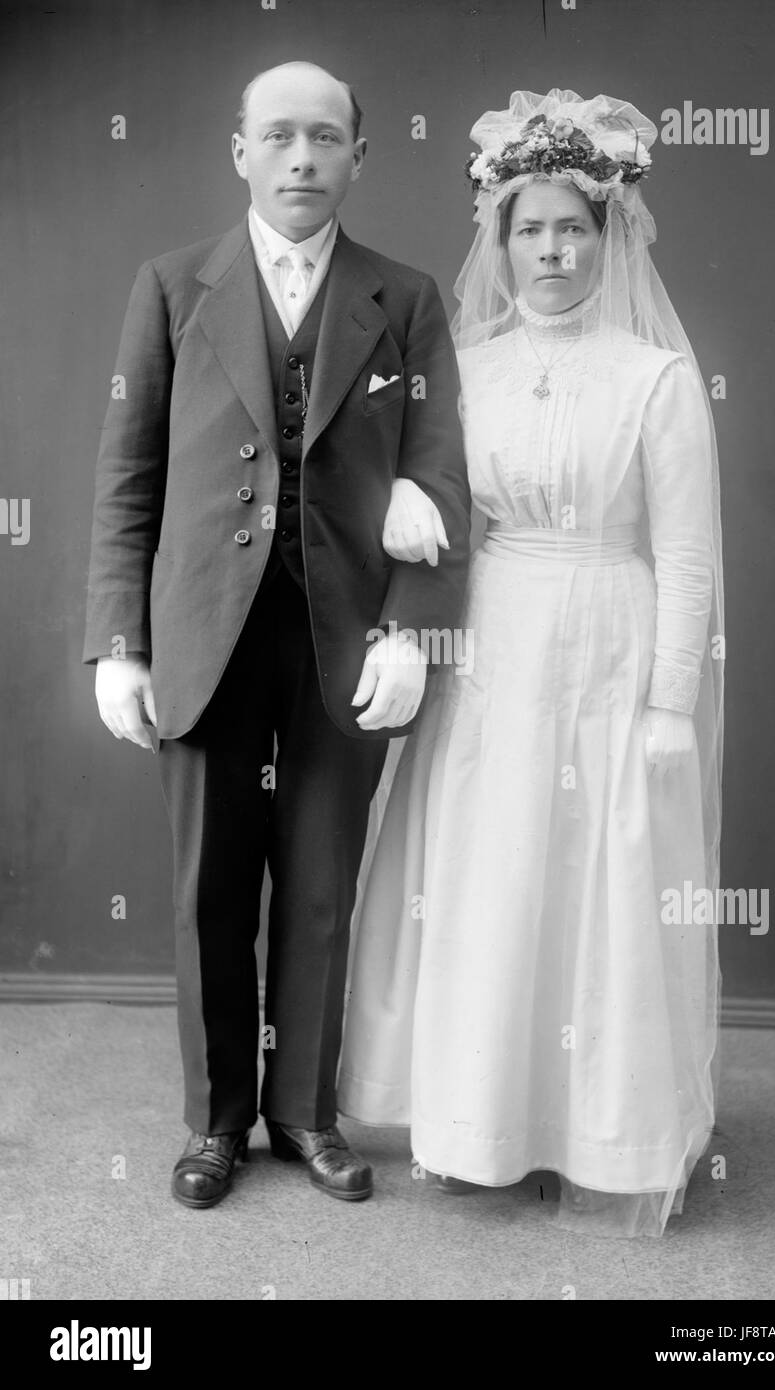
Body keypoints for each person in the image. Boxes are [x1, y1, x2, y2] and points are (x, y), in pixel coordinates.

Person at [83, 61, 471, 1209]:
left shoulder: (406, 297)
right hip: (203, 633)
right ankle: (215, 1122)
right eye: (279, 136)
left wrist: (410, 633)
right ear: (239, 150)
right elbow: (128, 476)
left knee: (318, 880)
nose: (303, 158)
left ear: (361, 154)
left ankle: (304, 1107)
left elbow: (438, 468)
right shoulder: (170, 286)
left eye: (326, 137)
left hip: (342, 637)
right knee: (209, 886)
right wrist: (118, 638)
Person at [338, 88, 725, 1238]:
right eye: (529, 229)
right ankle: (476, 1124)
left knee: (597, 875)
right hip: (490, 645)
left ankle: (600, 1131)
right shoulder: (460, 366)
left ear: (609, 240)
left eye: (573, 229)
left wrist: (669, 705)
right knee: (490, 870)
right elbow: (431, 514)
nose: (551, 250)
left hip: (608, 640)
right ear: (496, 243)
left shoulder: (653, 381)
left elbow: (689, 555)